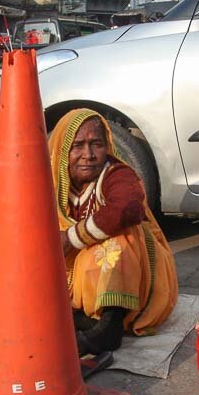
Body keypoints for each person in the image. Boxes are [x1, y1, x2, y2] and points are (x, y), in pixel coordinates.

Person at [49, 109, 178, 354]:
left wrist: (72, 237)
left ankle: (109, 326)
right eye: (78, 146)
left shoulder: (116, 173)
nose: (88, 155)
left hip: (134, 273)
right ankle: (80, 317)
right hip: (73, 274)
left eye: (96, 144)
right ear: (63, 149)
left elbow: (127, 207)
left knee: (119, 238)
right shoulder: (52, 182)